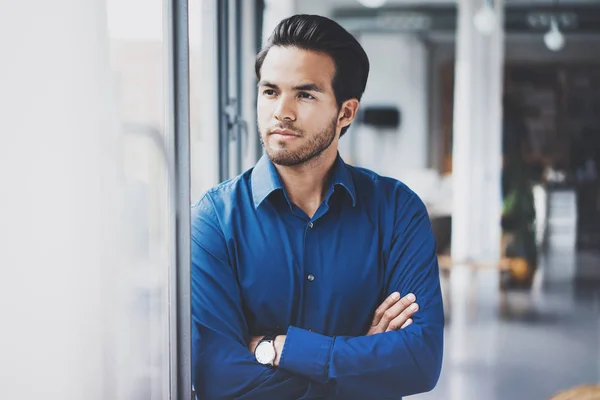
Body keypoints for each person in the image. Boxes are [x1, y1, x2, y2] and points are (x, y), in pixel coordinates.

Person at [191, 14, 444, 399]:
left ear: (346, 112)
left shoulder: (397, 211)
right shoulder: (214, 221)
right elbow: (220, 379)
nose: (282, 112)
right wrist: (361, 360)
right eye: (270, 91)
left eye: (305, 94)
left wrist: (276, 347)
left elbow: (420, 361)